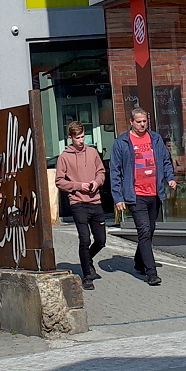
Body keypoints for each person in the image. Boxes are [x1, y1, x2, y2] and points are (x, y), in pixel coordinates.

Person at [109, 107, 176, 285]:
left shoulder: (155, 139)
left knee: (150, 230)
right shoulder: (122, 142)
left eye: (144, 121)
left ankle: (139, 262)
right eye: (138, 121)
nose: (142, 124)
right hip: (135, 194)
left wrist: (170, 178)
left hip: (154, 193)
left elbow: (165, 161)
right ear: (131, 122)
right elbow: (115, 171)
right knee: (144, 230)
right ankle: (151, 272)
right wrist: (118, 198)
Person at [55, 122, 108, 289]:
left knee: (100, 240)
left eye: (83, 137)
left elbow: (101, 172)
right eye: (77, 138)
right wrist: (78, 186)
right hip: (78, 203)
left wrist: (96, 182)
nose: (81, 140)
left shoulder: (92, 152)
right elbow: (59, 181)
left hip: (95, 201)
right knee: (84, 239)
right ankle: (87, 275)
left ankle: (87, 258)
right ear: (70, 138)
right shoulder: (64, 157)